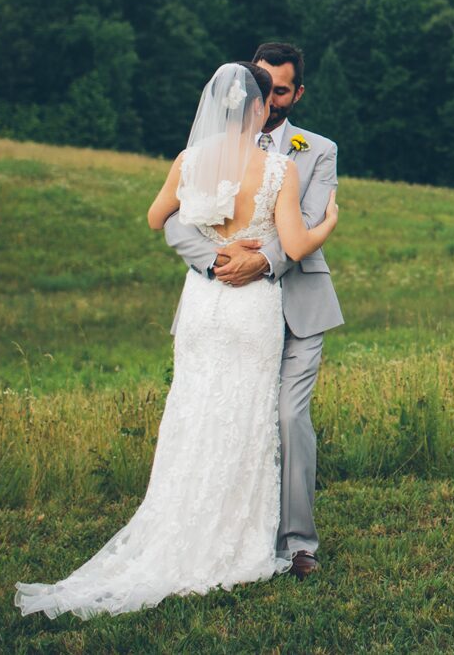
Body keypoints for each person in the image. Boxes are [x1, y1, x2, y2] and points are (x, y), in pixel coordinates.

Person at [13, 61, 338, 619]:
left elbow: (156, 217)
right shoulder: (279, 169)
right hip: (248, 310)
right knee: (242, 415)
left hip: (202, 309)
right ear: (260, 109)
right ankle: (232, 540)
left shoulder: (191, 161)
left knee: (193, 410)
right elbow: (295, 242)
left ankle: (178, 527)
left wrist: (212, 247)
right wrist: (328, 222)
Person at [160, 41, 344, 577]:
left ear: (296, 93)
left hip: (297, 306)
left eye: (281, 89)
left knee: (287, 416)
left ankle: (299, 543)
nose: (269, 97)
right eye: (262, 84)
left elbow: (305, 224)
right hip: (224, 303)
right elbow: (174, 217)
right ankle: (222, 531)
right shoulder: (211, 143)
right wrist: (215, 261)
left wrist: (261, 262)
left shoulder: (318, 150)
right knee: (221, 413)